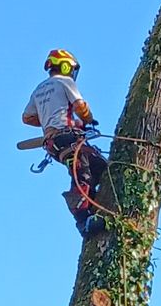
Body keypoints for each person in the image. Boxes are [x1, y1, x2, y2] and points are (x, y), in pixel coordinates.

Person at [23, 49, 108, 236]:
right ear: (65, 65)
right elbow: (80, 106)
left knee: (98, 165)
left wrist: (49, 124)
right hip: (68, 137)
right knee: (84, 170)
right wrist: (87, 120)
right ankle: (82, 217)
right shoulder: (65, 82)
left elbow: (27, 117)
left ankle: (91, 203)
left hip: (53, 143)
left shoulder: (38, 90)